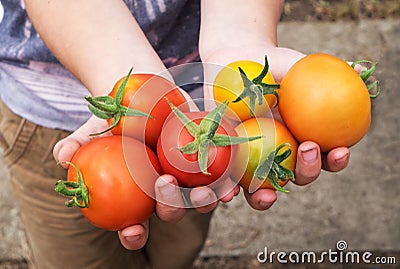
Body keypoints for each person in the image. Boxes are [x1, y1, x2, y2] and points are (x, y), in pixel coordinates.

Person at [0, 0, 352, 268]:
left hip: (206, 113)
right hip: (47, 114)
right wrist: (138, 92)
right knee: (74, 257)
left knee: (179, 245)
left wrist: (240, 36)